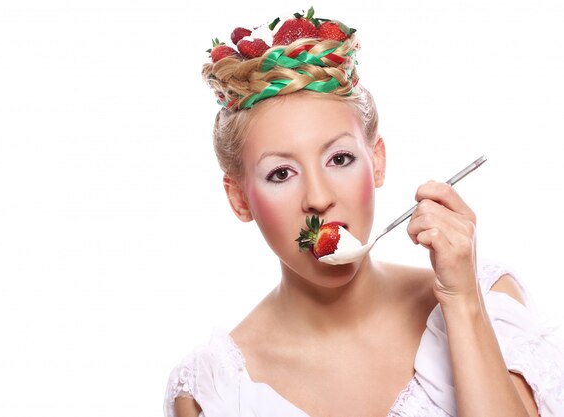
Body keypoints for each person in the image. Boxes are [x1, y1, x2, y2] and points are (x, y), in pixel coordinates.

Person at [164, 7, 564, 417]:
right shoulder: (212, 392)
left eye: (339, 159)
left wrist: (462, 304)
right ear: (239, 199)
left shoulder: (487, 300)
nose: (318, 198)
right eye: (281, 173)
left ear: (377, 162)